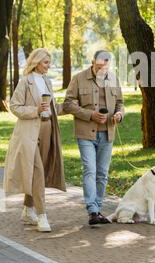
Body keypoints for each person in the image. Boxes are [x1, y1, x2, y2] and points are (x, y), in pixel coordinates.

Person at [4, 48, 66, 232]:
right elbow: (14, 106)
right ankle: (42, 216)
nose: (49, 65)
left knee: (40, 170)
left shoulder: (47, 81)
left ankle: (27, 209)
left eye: (49, 62)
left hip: (48, 130)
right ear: (36, 62)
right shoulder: (25, 81)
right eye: (46, 62)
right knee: (37, 171)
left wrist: (72, 106)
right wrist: (35, 110)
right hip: (29, 133)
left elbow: (53, 107)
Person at [63, 50, 124, 227]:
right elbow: (68, 103)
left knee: (102, 173)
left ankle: (97, 208)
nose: (101, 70)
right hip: (86, 133)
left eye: (105, 67)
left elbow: (120, 102)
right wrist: (91, 115)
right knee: (89, 169)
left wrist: (119, 114)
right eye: (98, 66)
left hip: (108, 132)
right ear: (92, 62)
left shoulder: (113, 78)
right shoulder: (78, 78)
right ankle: (92, 210)